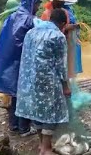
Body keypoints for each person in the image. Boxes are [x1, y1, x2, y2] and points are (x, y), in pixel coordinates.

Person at [15, 9, 69, 155]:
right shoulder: (58, 36)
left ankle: (41, 144)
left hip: (30, 78)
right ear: (63, 24)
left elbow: (25, 57)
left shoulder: (30, 33)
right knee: (52, 111)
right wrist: (65, 86)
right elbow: (61, 64)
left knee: (37, 110)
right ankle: (46, 148)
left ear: (50, 18)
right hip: (48, 80)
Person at [0, 0, 42, 136]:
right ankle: (24, 128)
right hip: (23, 62)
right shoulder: (29, 19)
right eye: (37, 4)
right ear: (32, 3)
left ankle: (13, 125)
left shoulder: (12, 17)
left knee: (14, 93)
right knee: (24, 95)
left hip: (9, 61)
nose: (38, 8)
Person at [0, 0, 20, 109]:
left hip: (3, 54)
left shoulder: (3, 23)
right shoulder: (5, 25)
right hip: (6, 54)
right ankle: (7, 103)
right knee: (9, 79)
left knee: (7, 78)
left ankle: (7, 102)